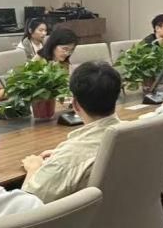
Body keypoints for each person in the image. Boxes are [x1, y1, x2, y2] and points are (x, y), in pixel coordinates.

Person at [22, 62, 122, 203]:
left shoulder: (68, 158)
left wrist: (34, 168)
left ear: (75, 104)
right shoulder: (139, 133)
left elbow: (27, 205)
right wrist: (62, 155)